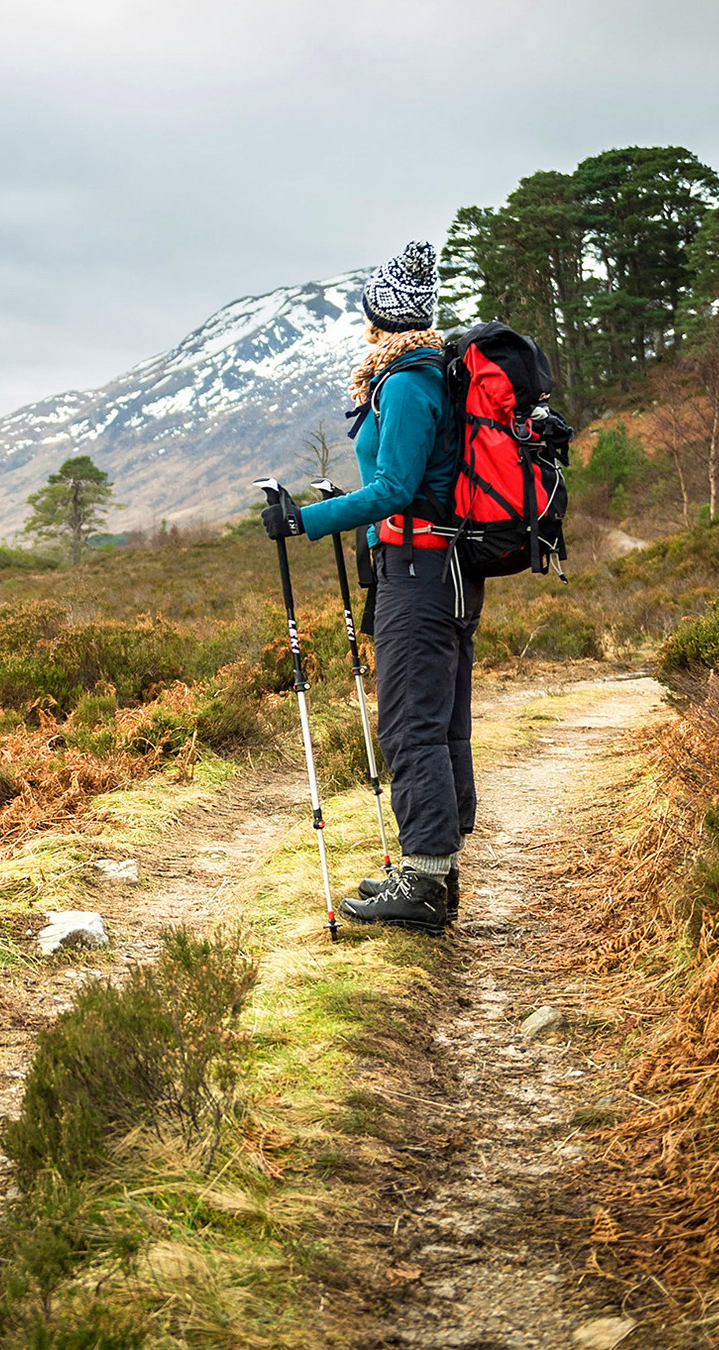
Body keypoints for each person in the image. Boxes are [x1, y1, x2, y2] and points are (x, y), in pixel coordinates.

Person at [259, 241, 473, 934]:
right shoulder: (416, 375)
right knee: (433, 720)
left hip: (421, 573)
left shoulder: (409, 382)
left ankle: (425, 878)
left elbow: (396, 489)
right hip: (430, 567)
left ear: (382, 315)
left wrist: (305, 519)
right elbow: (404, 485)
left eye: (367, 313)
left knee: (412, 723)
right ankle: (432, 871)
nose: (363, 324)